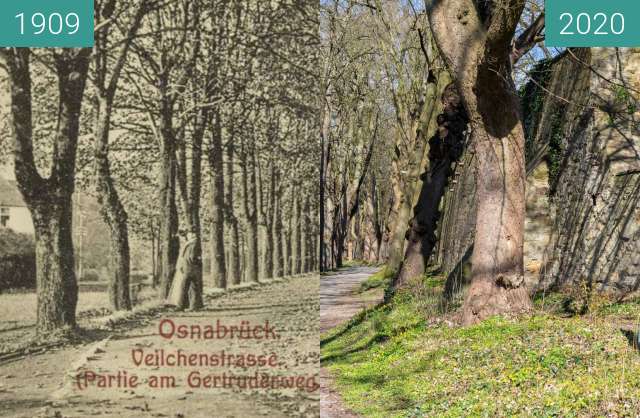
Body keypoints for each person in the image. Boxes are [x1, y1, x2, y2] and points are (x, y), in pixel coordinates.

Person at [167, 230, 201, 309]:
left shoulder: (193, 243)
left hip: (188, 267)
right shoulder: (191, 243)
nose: (187, 235)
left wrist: (197, 261)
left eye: (189, 233)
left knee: (184, 286)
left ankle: (181, 306)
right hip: (190, 267)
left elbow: (192, 257)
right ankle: (195, 305)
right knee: (193, 286)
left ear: (192, 234)